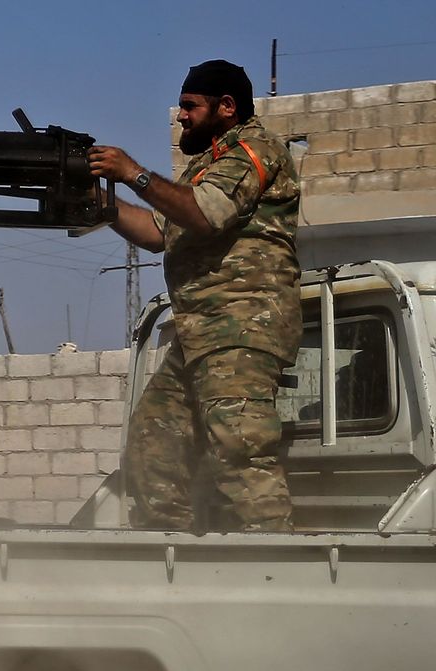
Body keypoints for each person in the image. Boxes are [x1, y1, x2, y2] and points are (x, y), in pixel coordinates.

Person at [86, 59, 301, 532]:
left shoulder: (253, 150)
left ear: (227, 107)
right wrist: (97, 202)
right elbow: (158, 231)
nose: (180, 116)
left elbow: (205, 215)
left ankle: (282, 572)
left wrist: (133, 174)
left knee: (240, 451)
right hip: (200, 335)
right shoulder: (208, 166)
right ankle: (179, 563)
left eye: (190, 106)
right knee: (152, 449)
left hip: (241, 327)